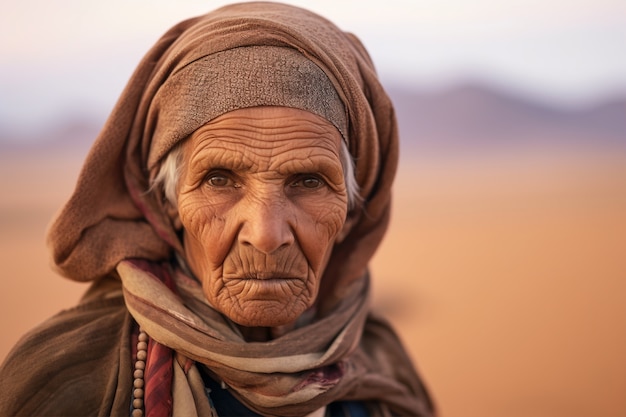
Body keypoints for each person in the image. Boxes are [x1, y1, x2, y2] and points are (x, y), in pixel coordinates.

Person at [0, 2, 435, 416]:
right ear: (167, 202)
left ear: (353, 211)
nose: (265, 234)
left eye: (308, 182)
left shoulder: (383, 366)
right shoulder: (67, 376)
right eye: (219, 180)